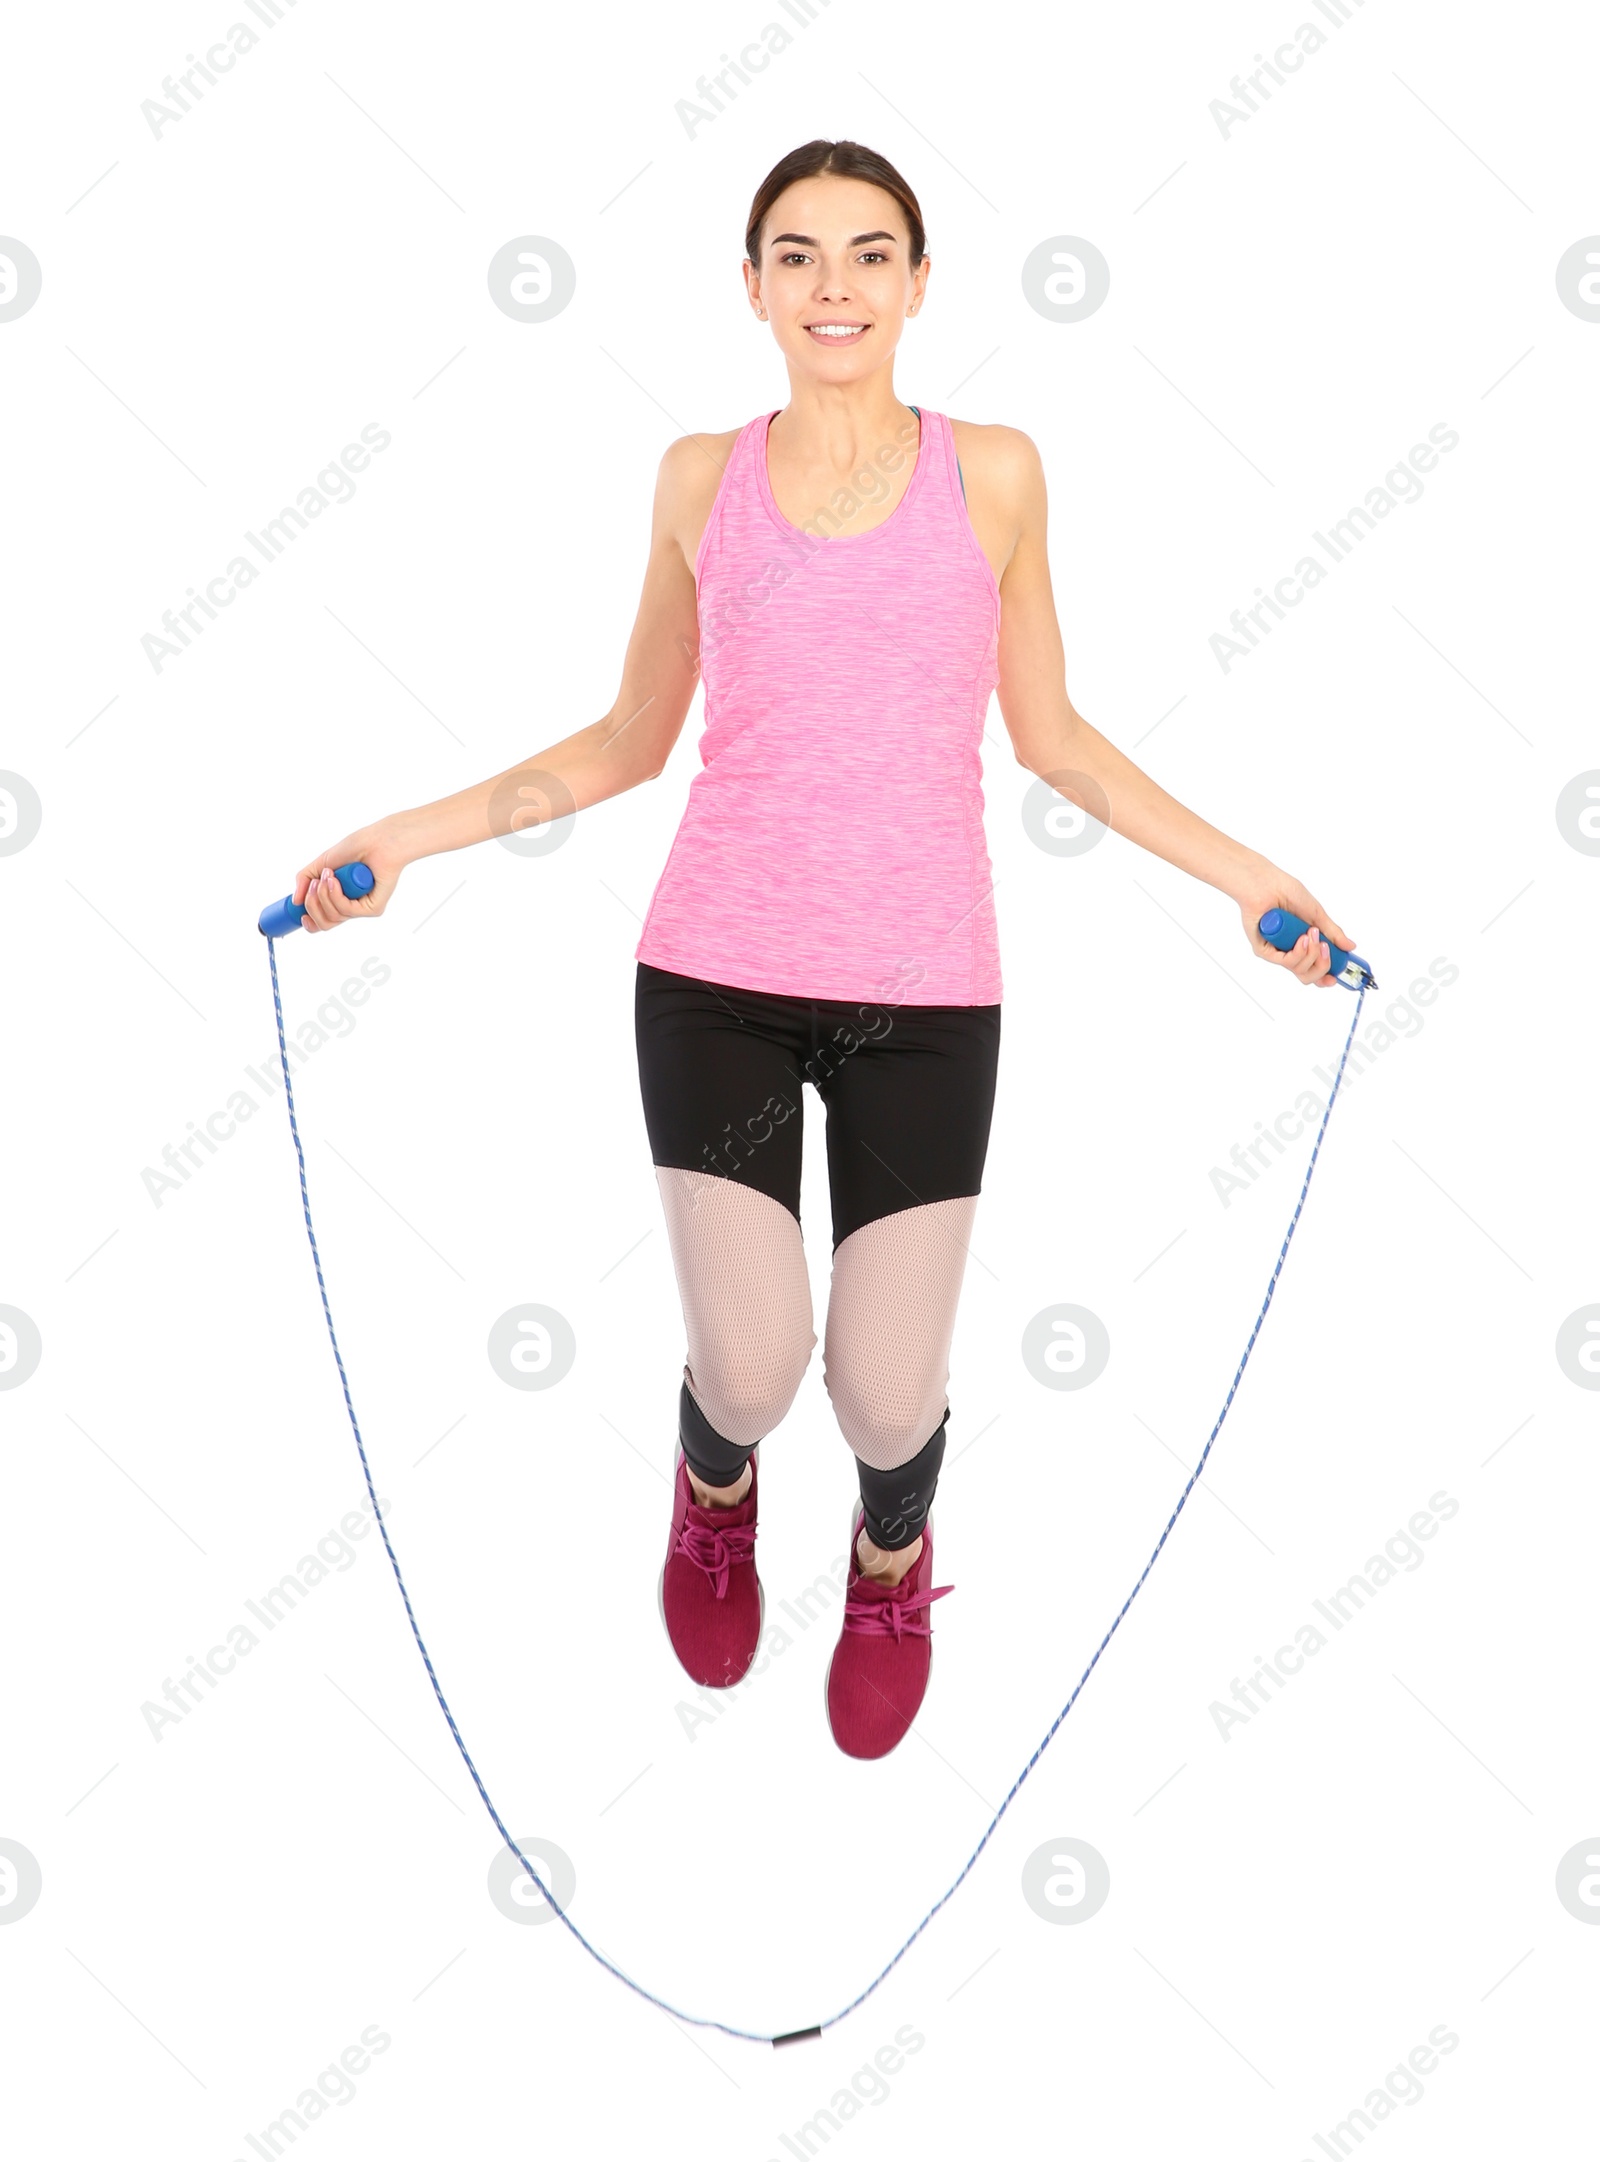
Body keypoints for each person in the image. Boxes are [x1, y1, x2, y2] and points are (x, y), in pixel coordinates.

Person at [284, 138, 1356, 1761]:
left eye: (869, 254)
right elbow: (629, 740)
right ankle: (714, 1490)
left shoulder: (992, 472)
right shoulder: (697, 479)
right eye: (798, 255)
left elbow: (1054, 738)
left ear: (920, 284)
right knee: (758, 1362)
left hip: (927, 993)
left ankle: (891, 1551)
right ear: (754, 290)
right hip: (714, 974)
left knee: (884, 1398)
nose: (835, 284)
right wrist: (398, 842)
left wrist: (1250, 878)